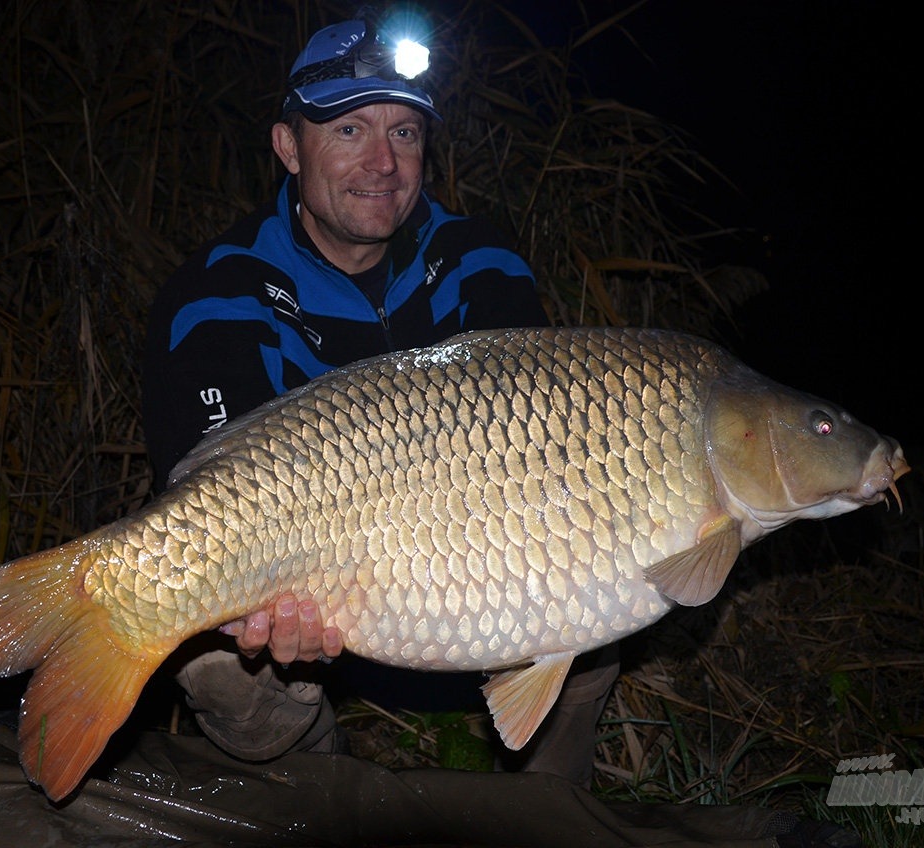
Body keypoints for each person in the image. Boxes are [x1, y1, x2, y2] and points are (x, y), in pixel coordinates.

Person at [142, 12, 620, 788]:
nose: (384, 162)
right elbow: (206, 490)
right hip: (317, 597)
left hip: (473, 577)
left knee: (600, 593)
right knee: (214, 657)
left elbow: (537, 460)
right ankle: (315, 802)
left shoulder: (479, 261)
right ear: (289, 147)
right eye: (350, 130)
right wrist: (263, 596)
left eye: (404, 133)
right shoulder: (214, 296)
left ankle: (545, 814)